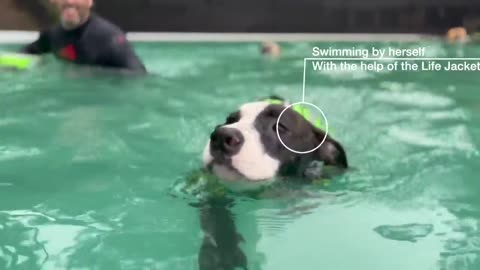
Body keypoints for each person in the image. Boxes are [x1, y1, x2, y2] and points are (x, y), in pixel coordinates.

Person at [21, 0, 146, 73]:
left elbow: (138, 76)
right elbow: (27, 53)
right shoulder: (52, 35)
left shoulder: (108, 38)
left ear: (90, 2)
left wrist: (92, 75)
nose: (70, 1)